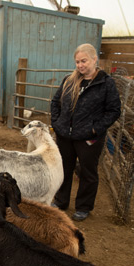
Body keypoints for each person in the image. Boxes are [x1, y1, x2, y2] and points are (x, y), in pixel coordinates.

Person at [51, 43, 121, 221]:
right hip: (65, 135)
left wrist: (95, 129)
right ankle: (61, 200)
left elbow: (113, 111)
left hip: (89, 138)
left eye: (84, 61)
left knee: (87, 172)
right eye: (77, 62)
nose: (80, 65)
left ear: (94, 59)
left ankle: (83, 206)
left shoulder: (105, 83)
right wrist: (57, 123)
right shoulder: (69, 80)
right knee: (64, 168)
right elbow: (55, 101)